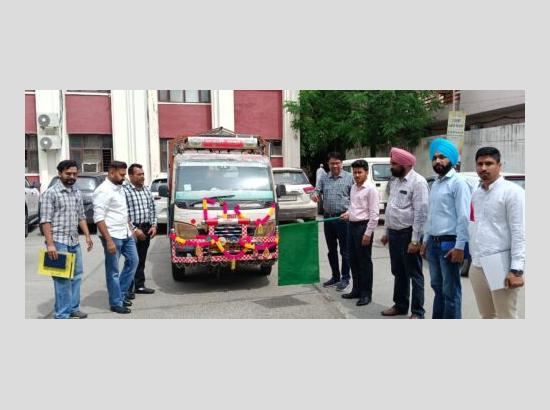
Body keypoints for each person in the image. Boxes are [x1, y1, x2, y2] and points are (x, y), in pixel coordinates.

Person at [469, 147, 525, 318]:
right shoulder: (477, 194)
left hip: (500, 262)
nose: (483, 168)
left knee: (505, 316)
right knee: (486, 315)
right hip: (477, 263)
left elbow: (519, 232)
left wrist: (516, 270)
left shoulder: (513, 192)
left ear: (499, 165)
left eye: (489, 163)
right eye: (480, 164)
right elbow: (474, 226)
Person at [420, 138, 471, 319]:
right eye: (434, 158)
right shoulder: (436, 183)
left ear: (452, 159)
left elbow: (464, 217)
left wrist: (460, 247)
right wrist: (425, 241)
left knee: (451, 291)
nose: (437, 161)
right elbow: (431, 215)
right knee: (437, 287)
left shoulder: (458, 183)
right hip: (433, 244)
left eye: (442, 157)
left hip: (450, 244)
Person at [39, 160, 93, 319]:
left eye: (74, 174)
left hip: (74, 241)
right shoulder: (50, 193)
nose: (72, 177)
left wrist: (87, 235)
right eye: (68, 173)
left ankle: (73, 308)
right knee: (62, 279)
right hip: (58, 242)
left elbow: (81, 216)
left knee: (77, 276)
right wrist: (50, 244)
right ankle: (62, 314)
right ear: (60, 173)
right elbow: (45, 221)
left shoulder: (76, 192)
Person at [380, 148, 429, 319]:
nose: (391, 167)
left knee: (414, 274)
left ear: (406, 164)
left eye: (394, 164)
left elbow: (421, 213)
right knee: (398, 271)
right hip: (394, 233)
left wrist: (415, 240)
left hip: (408, 234)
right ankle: (400, 305)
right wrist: (386, 231)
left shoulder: (418, 182)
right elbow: (390, 208)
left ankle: (417, 312)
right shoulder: (395, 181)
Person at [93, 161, 139, 314]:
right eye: (121, 174)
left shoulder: (120, 188)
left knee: (133, 261)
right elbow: (99, 218)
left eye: (124, 174)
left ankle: (121, 294)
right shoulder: (103, 191)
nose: (124, 178)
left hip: (125, 232)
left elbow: (122, 212)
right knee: (113, 270)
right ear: (111, 173)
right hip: (112, 235)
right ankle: (115, 302)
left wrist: (131, 229)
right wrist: (108, 240)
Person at [311, 152, 353, 291]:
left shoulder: (350, 178)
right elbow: (316, 191)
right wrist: (314, 195)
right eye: (332, 163)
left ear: (341, 163)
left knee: (345, 251)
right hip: (328, 218)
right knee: (331, 250)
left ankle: (345, 278)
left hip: (343, 219)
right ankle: (335, 276)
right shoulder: (324, 178)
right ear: (328, 164)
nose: (335, 166)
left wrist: (350, 212)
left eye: (337, 163)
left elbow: (356, 199)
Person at [340, 160, 379, 306]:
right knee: (353, 260)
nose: (356, 175)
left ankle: (366, 294)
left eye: (359, 172)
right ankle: (356, 290)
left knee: (364, 262)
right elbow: (353, 207)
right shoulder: (353, 187)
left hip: (363, 227)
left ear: (366, 172)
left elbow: (374, 214)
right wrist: (348, 213)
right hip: (351, 226)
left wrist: (368, 234)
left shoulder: (371, 189)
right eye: (354, 172)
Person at [123, 163, 157, 298]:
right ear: (131, 176)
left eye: (143, 174)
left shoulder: (146, 190)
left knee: (141, 259)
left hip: (146, 228)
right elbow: (123, 213)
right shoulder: (125, 191)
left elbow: (152, 208)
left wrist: (154, 225)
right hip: (132, 230)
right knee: (132, 260)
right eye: (139, 174)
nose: (142, 176)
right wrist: (135, 229)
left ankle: (139, 285)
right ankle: (127, 289)